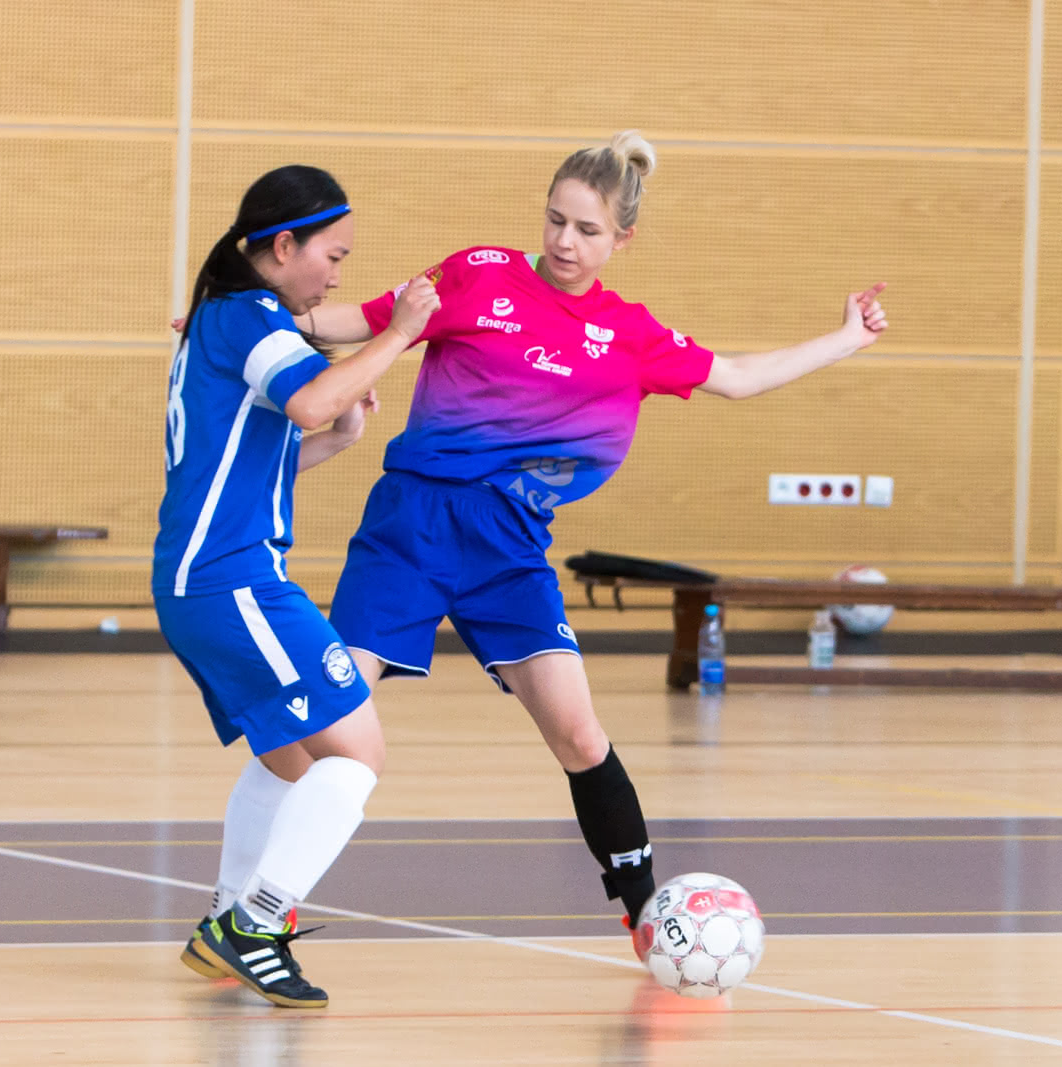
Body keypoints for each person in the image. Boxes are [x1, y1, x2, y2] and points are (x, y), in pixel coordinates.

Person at [306, 131, 887, 955]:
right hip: (411, 526)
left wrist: (848, 339)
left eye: (585, 230)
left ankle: (650, 916)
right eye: (554, 221)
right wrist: (243, 315)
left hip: (509, 553)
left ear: (623, 240)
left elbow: (741, 376)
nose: (563, 243)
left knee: (580, 735)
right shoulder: (477, 273)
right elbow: (349, 319)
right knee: (331, 723)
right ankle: (264, 901)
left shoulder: (630, 335)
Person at [153, 163, 438, 1007]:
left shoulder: (220, 318)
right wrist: (399, 333)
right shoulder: (252, 314)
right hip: (234, 583)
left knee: (289, 759)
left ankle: (224, 920)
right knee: (359, 754)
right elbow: (308, 402)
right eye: (333, 255)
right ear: (284, 246)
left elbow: (266, 456)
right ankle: (255, 924)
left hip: (200, 584)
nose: (338, 276)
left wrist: (342, 432)